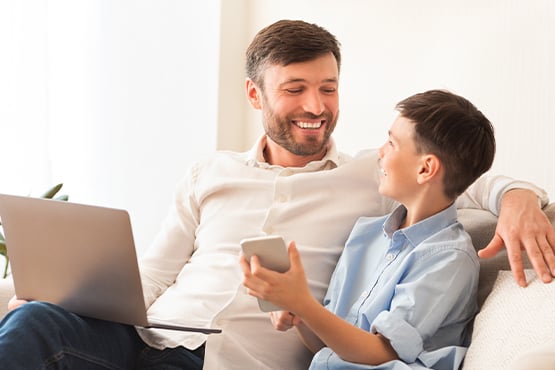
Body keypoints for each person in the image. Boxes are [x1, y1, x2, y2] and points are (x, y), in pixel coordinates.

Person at [0, 19, 553, 370]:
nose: (316, 105)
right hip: (146, 337)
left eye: (328, 88)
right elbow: (153, 275)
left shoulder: (376, 174)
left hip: (226, 360)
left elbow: (459, 175)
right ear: (254, 94)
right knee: (34, 322)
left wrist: (521, 197)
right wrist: (70, 296)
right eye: (295, 89)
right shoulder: (209, 173)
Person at [241, 89, 495, 369]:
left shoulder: (449, 258)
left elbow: (382, 353)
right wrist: (297, 313)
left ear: (425, 169)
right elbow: (329, 346)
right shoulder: (367, 235)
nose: (380, 152)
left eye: (391, 143)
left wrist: (304, 304)